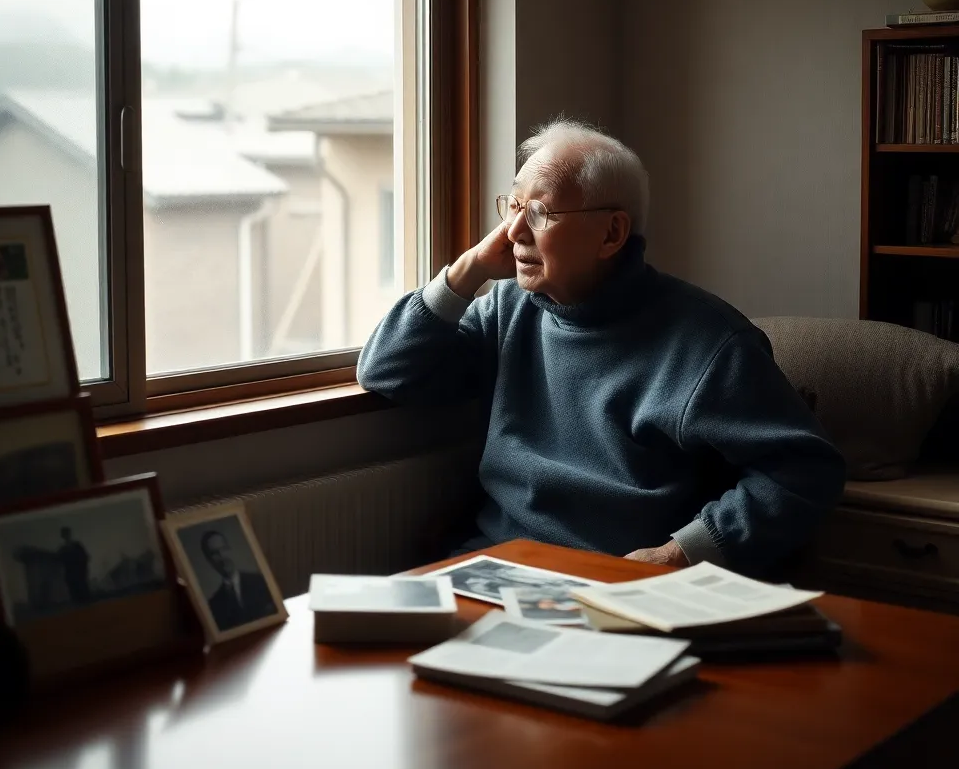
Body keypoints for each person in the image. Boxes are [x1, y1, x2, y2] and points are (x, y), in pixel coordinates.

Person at [357, 119, 846, 577]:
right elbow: (386, 370)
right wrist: (469, 271)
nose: (513, 233)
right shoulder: (510, 309)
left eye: (541, 212)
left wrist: (679, 555)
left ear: (611, 233)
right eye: (513, 206)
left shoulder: (708, 342)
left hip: (618, 584)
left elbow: (805, 471)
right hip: (496, 568)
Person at [200, 529, 276, 631]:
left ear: (230, 549)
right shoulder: (213, 605)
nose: (222, 556)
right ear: (209, 560)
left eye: (224, 549)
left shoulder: (261, 581)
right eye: (215, 553)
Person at [57, 526, 91, 604]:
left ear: (70, 534)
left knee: (86, 599)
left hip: (81, 576)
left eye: (67, 534)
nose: (66, 536)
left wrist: (84, 571)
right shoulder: (62, 550)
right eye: (64, 534)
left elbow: (86, 557)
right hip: (71, 578)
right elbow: (59, 561)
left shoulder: (77, 545)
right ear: (63, 536)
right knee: (77, 600)